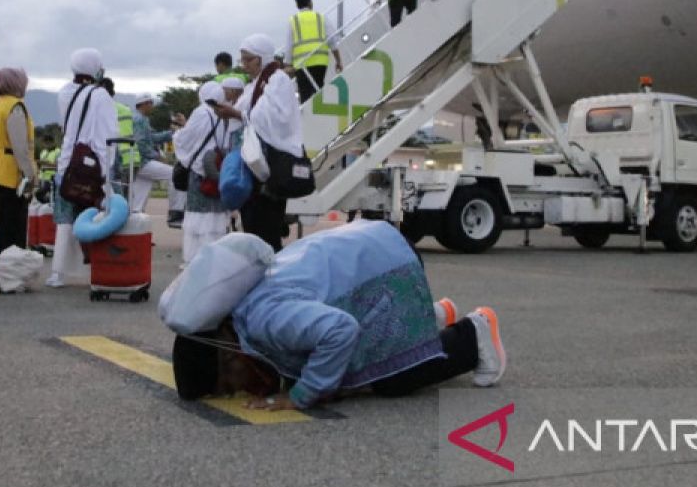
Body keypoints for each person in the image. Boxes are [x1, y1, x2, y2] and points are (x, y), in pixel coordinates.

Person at [171, 221, 507, 409]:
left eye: (228, 384)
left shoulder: (265, 322)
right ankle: (433, 317)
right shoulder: (243, 314)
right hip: (375, 247)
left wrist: (301, 395)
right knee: (351, 361)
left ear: (227, 357)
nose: (240, 390)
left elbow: (340, 330)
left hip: (389, 261)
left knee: (392, 380)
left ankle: (473, 335)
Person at [210, 34, 302, 252]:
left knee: (265, 231)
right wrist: (234, 113)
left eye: (249, 59)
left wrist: (237, 114)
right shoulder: (256, 83)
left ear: (262, 57)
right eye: (242, 59)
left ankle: (270, 279)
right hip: (254, 166)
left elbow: (274, 118)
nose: (244, 65)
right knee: (254, 227)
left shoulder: (277, 80)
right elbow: (250, 113)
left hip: (269, 167)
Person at [45, 48, 118, 288]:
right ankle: (101, 267)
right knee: (98, 215)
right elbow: (106, 135)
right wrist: (106, 168)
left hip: (67, 163)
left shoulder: (64, 93)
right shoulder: (101, 95)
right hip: (90, 164)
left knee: (64, 219)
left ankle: (58, 272)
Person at [172, 82, 234, 264]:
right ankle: (214, 261)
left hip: (200, 172)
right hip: (216, 170)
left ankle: (195, 260)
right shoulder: (224, 114)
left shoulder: (202, 112)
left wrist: (177, 134)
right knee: (216, 218)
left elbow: (186, 138)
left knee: (197, 219)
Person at [0, 67, 38, 262]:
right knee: (14, 224)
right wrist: (30, 175)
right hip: (11, 172)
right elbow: (20, 147)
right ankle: (12, 268)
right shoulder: (16, 106)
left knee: (0, 224)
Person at [285, 0, 343, 102]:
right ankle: (320, 113)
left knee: (305, 94)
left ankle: (307, 118)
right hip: (320, 63)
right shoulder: (321, 17)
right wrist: (338, 61)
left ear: (297, 5)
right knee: (318, 91)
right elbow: (332, 41)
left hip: (302, 64)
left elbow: (289, 45)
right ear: (310, 3)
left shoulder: (293, 21)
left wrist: (288, 64)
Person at [130, 93, 183, 213]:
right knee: (174, 175)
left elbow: (150, 138)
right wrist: (157, 156)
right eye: (150, 103)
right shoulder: (139, 120)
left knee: (139, 197)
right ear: (144, 104)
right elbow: (141, 143)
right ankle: (176, 211)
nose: (152, 106)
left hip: (138, 162)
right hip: (143, 161)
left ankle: (135, 216)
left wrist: (171, 133)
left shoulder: (140, 118)